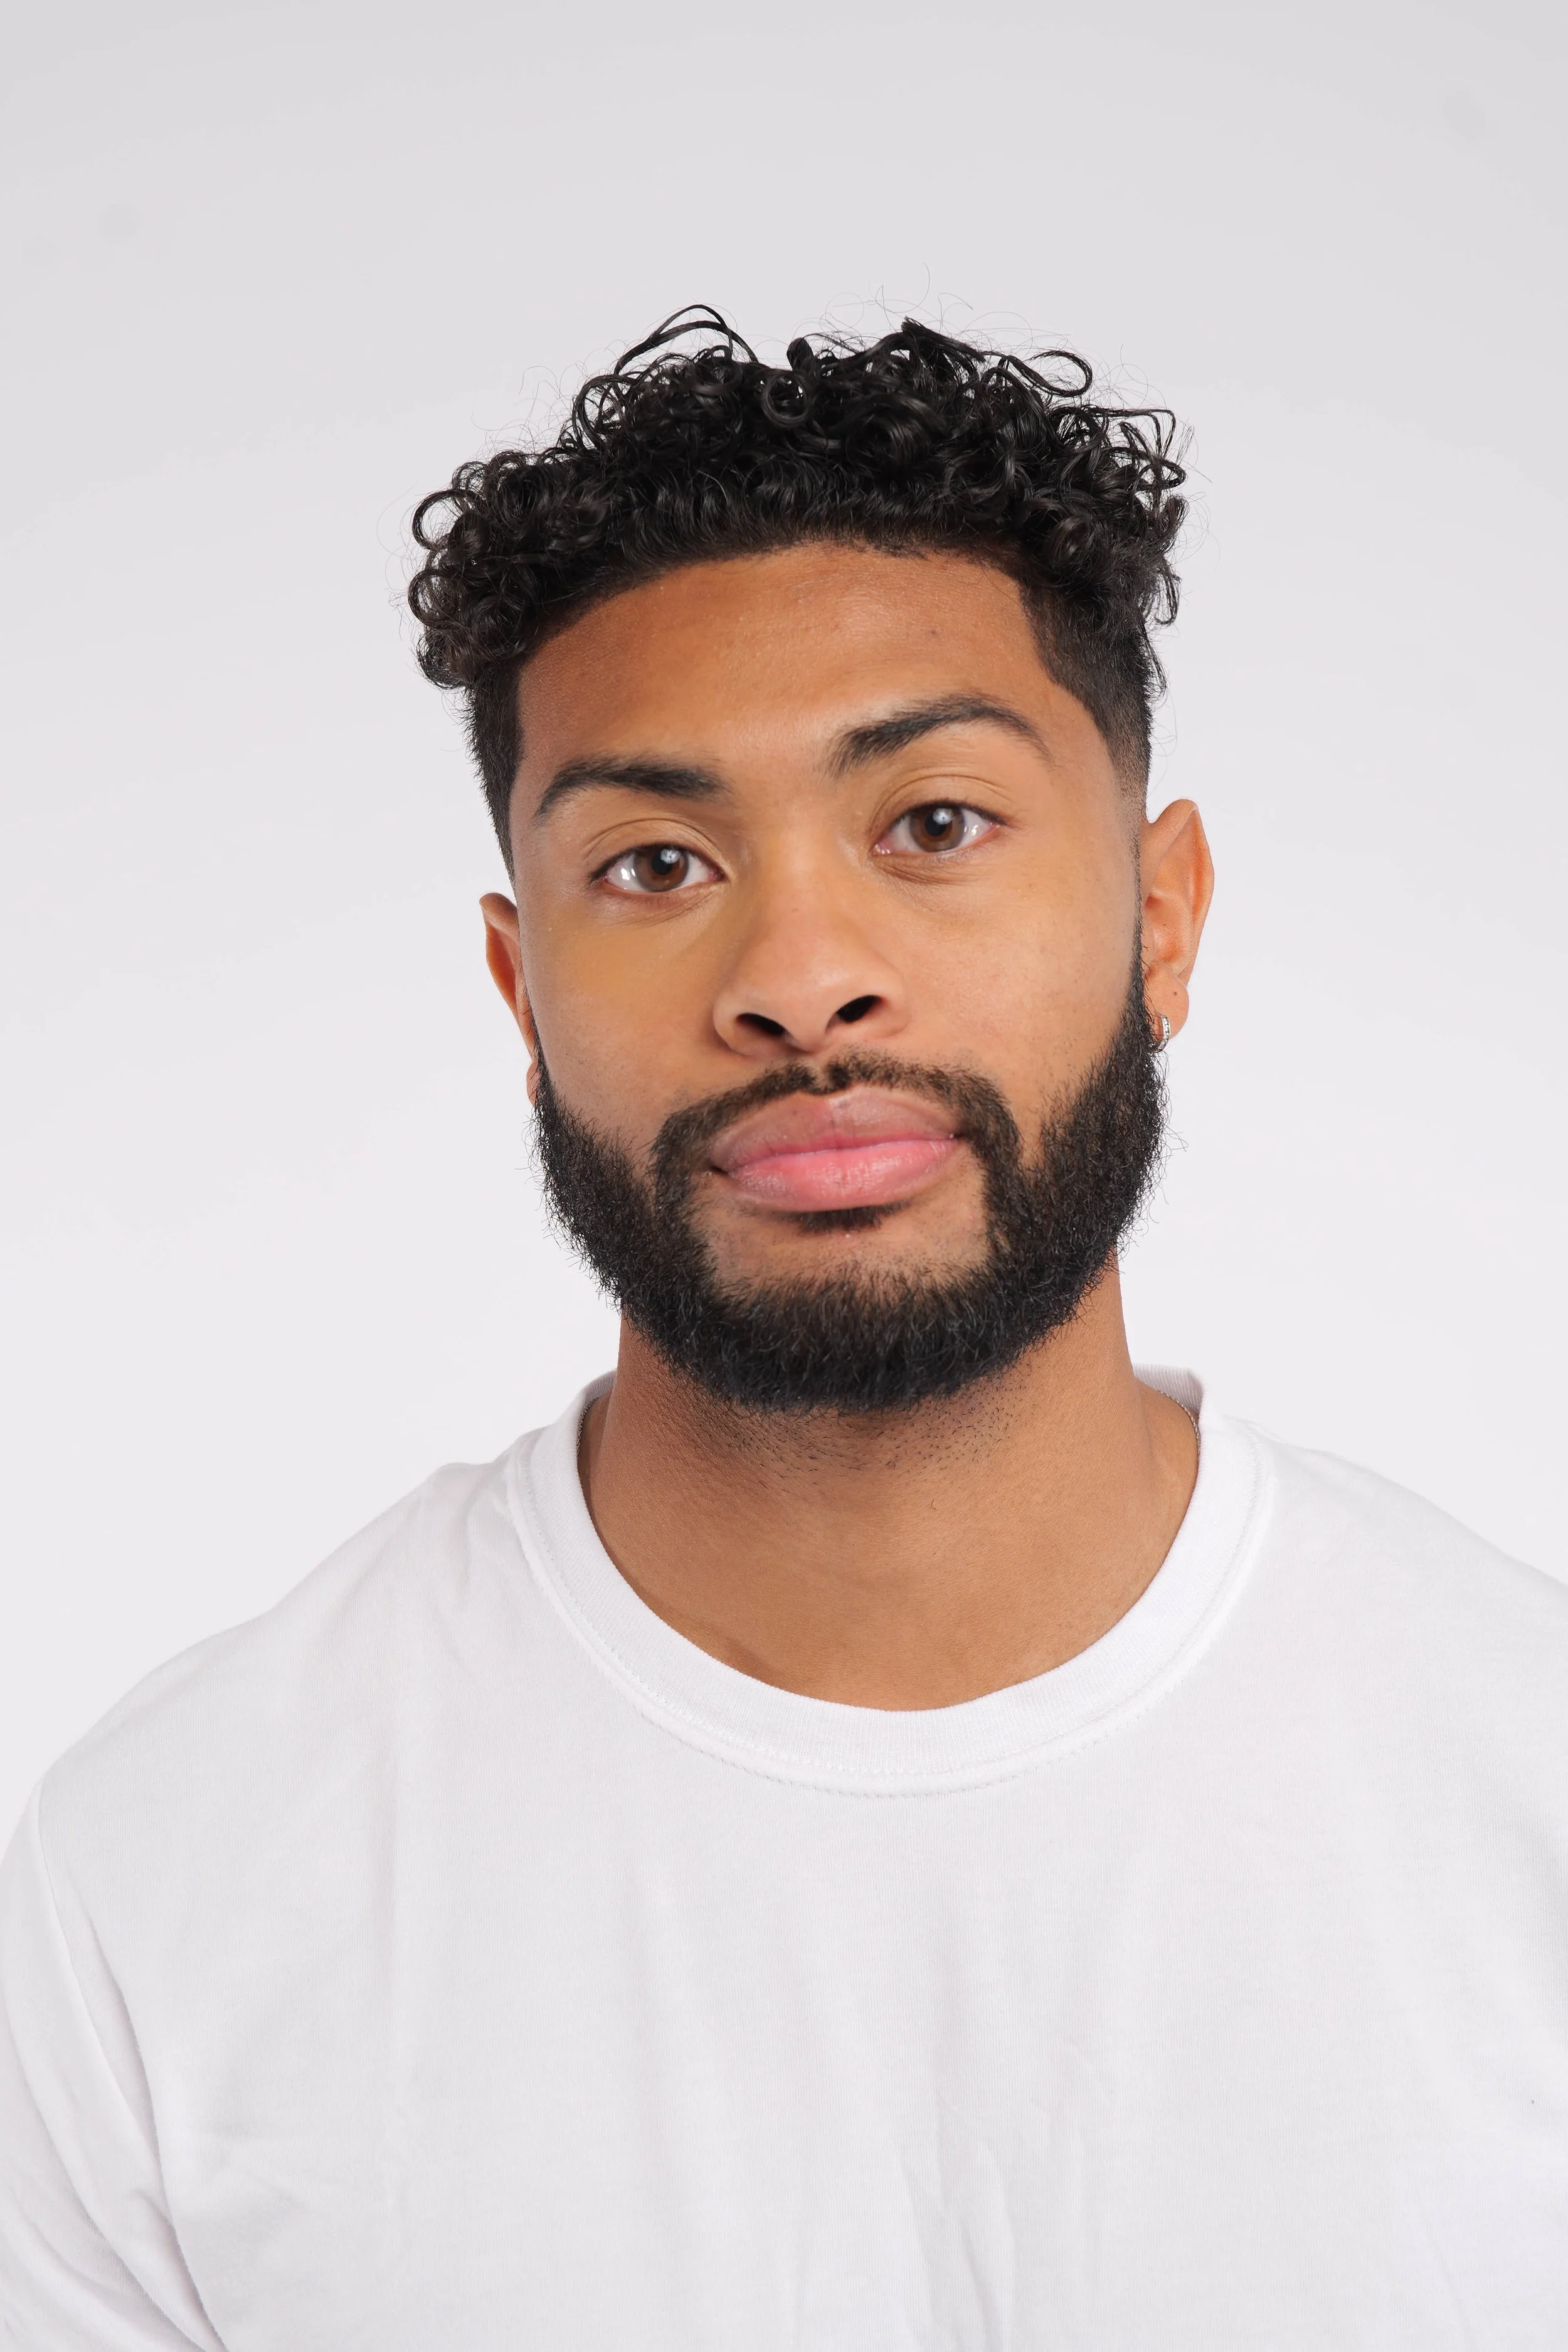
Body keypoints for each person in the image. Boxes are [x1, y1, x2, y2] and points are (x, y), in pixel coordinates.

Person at [2, 309, 1564, 2351]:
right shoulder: (162, 1885)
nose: (800, 980)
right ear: (518, 985)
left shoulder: (1519, 1782)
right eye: (655, 864)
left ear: (1160, 916)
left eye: (931, 824)